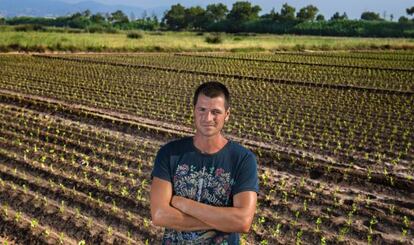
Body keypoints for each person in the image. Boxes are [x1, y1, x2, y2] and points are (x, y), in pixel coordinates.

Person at [150, 81, 259, 244]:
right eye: (202, 110)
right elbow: (160, 215)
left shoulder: (242, 159)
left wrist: (184, 204)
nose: (208, 118)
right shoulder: (169, 153)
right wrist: (222, 222)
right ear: (194, 110)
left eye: (216, 112)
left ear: (227, 115)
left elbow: (242, 222)